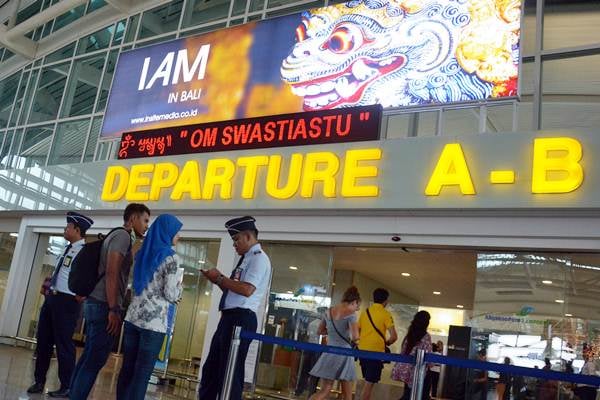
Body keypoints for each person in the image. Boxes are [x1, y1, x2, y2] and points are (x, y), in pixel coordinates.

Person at [69, 203, 150, 400]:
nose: (147, 225)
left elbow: (118, 269)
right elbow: (112, 272)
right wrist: (114, 308)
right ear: (132, 219)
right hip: (104, 304)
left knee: (89, 356)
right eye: (145, 220)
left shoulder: (121, 238)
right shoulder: (122, 236)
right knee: (94, 360)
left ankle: (73, 394)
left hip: (98, 302)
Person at [198, 216, 271, 400]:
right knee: (212, 369)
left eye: (236, 239)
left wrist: (221, 278)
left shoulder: (259, 259)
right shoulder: (246, 259)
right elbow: (233, 291)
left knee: (230, 372)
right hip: (229, 318)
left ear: (248, 236)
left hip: (241, 319)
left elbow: (247, 290)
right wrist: (216, 279)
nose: (234, 244)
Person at [26, 212, 93, 398]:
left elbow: (89, 277)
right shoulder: (66, 249)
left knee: (64, 345)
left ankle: (66, 385)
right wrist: (48, 285)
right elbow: (61, 274)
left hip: (67, 302)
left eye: (68, 227)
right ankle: (39, 381)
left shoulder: (84, 252)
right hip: (52, 298)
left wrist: (83, 294)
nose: (65, 229)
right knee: (43, 341)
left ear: (77, 230)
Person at [116, 214, 183, 400]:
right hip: (153, 326)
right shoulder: (171, 258)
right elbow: (170, 294)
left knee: (127, 369)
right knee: (142, 374)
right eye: (177, 233)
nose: (179, 237)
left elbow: (132, 283)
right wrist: (180, 290)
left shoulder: (141, 253)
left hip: (132, 319)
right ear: (167, 233)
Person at [309, 286, 361, 400]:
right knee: (347, 394)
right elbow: (355, 337)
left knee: (325, 389)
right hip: (344, 353)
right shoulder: (351, 315)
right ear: (354, 301)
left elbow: (320, 331)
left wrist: (333, 333)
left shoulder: (329, 311)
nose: (356, 308)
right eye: (357, 305)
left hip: (329, 352)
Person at [358, 287, 398, 400]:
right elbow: (394, 336)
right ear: (385, 301)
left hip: (362, 352)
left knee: (368, 382)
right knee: (369, 384)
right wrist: (387, 343)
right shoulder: (386, 314)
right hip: (376, 353)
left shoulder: (364, 313)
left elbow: (357, 332)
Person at [391, 310, 432, 400]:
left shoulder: (410, 334)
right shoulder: (426, 337)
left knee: (408, 394)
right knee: (422, 395)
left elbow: (404, 350)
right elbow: (429, 358)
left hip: (408, 372)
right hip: (420, 373)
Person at [295, 309, 325, 396]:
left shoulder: (311, 324)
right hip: (317, 350)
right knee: (315, 373)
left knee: (304, 371)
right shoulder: (323, 325)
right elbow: (323, 339)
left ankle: (299, 391)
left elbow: (307, 337)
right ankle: (311, 393)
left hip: (309, 348)